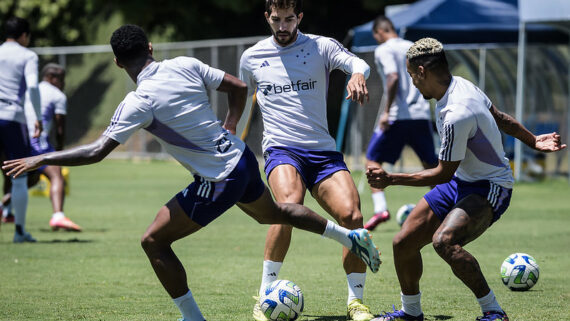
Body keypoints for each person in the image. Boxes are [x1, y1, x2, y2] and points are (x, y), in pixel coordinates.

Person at [3, 24, 380, 321]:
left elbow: (98, 151)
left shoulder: (138, 101)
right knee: (276, 213)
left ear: (118, 63)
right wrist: (231, 124)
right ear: (150, 49)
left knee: (153, 241)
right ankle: (348, 237)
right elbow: (237, 87)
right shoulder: (184, 63)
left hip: (218, 181)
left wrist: (42, 158)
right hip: (243, 159)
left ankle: (192, 318)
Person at [367, 38, 566, 321]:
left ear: (422, 72)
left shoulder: (455, 113)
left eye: (412, 76)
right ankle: (411, 313)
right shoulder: (461, 85)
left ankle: (494, 312)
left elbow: (442, 173)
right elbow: (498, 117)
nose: (412, 82)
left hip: (490, 186)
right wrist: (533, 140)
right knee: (403, 242)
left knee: (443, 242)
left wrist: (391, 179)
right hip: (461, 181)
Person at [239, 1, 375, 320]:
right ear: (267, 18)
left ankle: (356, 302)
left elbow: (358, 63)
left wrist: (357, 75)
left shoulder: (321, 46)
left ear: (299, 17)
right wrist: (232, 139)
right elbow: (242, 101)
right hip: (281, 149)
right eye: (276, 20)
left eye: (289, 19)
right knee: (288, 204)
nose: (283, 26)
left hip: (323, 152)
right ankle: (265, 295)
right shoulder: (252, 57)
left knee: (353, 216)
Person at [363, 16, 438, 231]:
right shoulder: (413, 47)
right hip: (420, 115)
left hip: (396, 117)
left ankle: (381, 210)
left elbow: (393, 76)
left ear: (378, 33)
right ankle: (449, 207)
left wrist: (386, 112)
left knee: (372, 161)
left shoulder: (384, 49)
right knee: (431, 167)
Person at [24, 63, 81, 231]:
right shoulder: (57, 95)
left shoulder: (29, 89)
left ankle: (3, 206)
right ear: (50, 78)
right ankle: (58, 216)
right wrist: (60, 152)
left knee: (30, 179)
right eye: (61, 79)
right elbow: (60, 128)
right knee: (56, 175)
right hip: (37, 139)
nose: (63, 83)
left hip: (19, 137)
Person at [0, 16, 43, 242]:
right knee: (19, 176)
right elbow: (33, 86)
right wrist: (36, 116)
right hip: (11, 118)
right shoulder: (27, 55)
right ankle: (19, 232)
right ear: (24, 35)